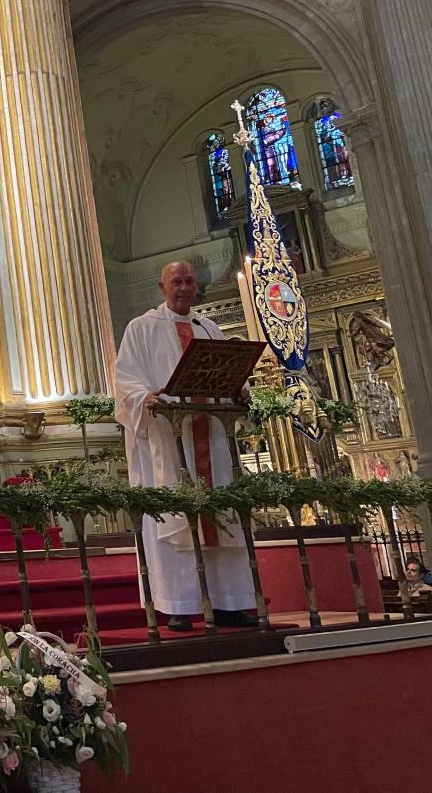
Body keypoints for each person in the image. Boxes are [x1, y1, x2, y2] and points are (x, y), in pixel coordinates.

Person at [114, 260, 258, 632]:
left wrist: (239, 389)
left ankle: (229, 603)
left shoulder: (209, 328)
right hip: (169, 439)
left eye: (189, 282)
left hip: (209, 436)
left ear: (197, 288)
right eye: (176, 281)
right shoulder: (141, 328)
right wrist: (145, 398)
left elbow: (226, 371)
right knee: (175, 515)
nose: (183, 288)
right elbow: (125, 380)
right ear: (162, 287)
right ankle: (181, 604)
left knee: (221, 516)